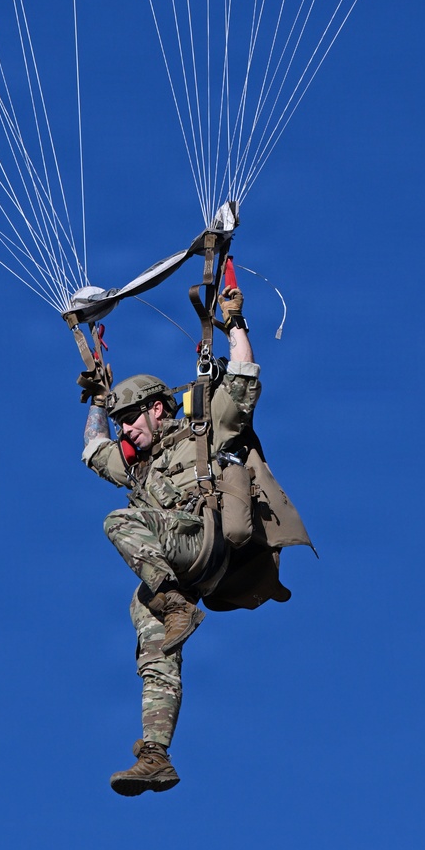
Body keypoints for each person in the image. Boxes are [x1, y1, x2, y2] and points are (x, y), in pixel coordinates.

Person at [80, 285, 310, 795]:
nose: (124, 431)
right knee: (153, 641)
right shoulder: (137, 465)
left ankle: (171, 599)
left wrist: (235, 323)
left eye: (129, 418)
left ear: (159, 409)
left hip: (204, 540)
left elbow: (245, 378)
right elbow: (94, 451)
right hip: (183, 566)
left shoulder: (205, 432)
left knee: (118, 523)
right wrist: (99, 399)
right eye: (119, 423)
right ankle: (156, 754)